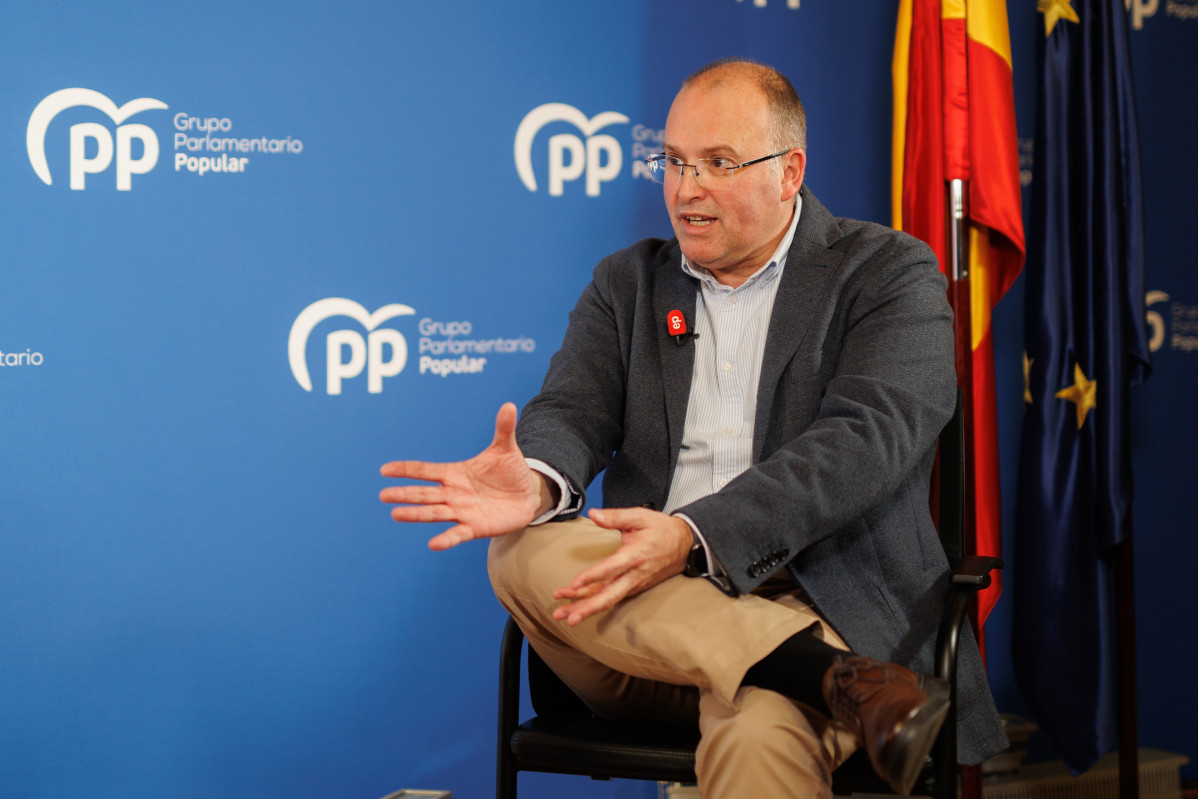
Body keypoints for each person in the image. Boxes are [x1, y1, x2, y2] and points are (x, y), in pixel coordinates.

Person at [380, 58, 1005, 798]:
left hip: (821, 602)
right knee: (520, 547)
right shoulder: (629, 284)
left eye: (718, 163)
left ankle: (809, 670)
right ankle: (835, 680)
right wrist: (539, 477)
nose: (686, 188)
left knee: (760, 730)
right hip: (645, 629)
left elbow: (861, 443)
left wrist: (694, 535)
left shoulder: (886, 274)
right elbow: (573, 411)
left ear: (789, 170)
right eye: (673, 161)